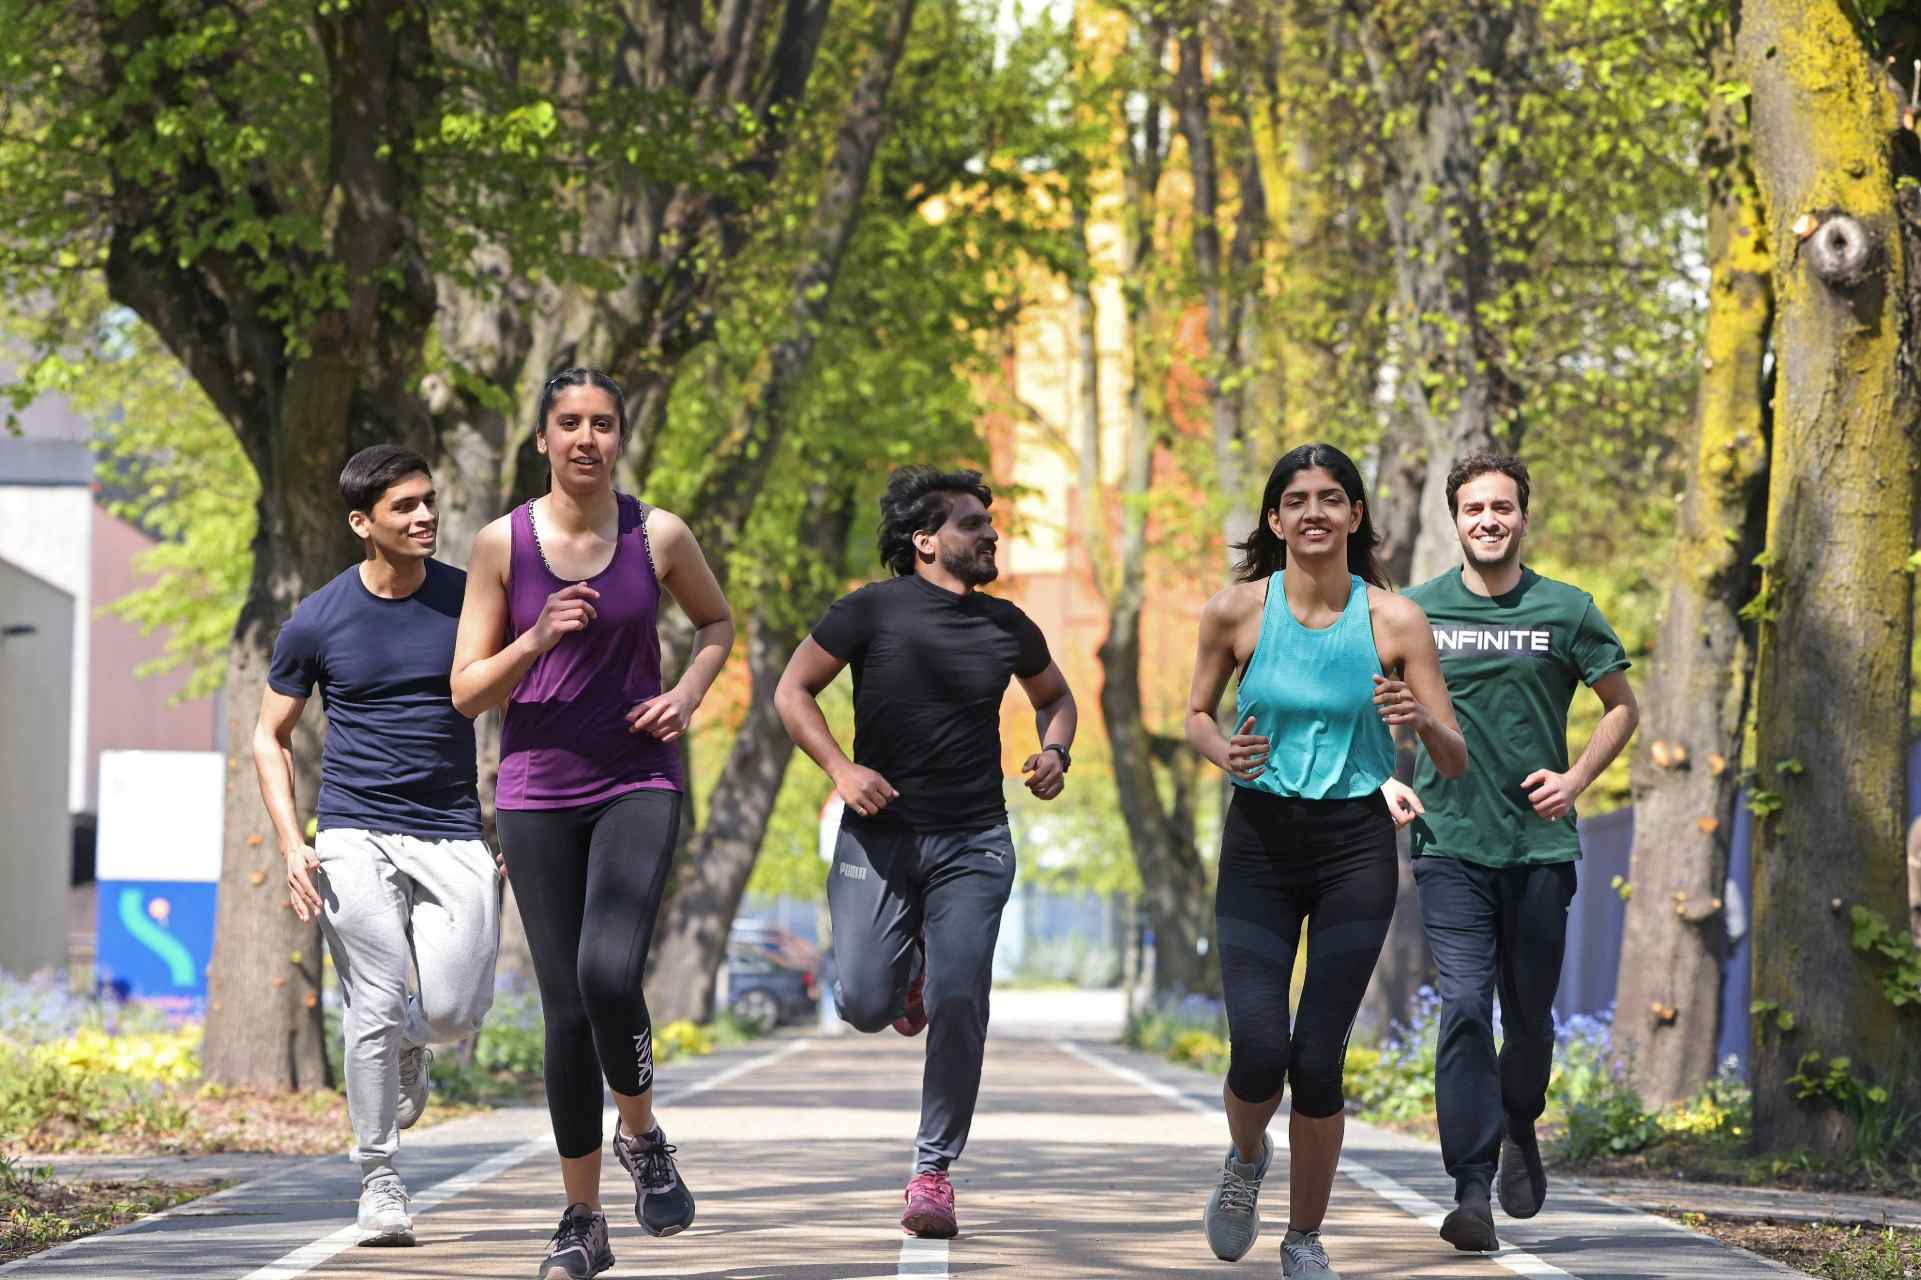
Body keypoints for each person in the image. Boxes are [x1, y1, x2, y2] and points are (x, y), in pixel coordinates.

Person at [451, 368, 735, 1280]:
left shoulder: (658, 535)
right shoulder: (502, 545)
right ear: (542, 439)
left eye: (602, 424)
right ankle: (582, 1219)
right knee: (566, 1011)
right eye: (568, 423)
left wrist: (687, 693)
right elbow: (464, 693)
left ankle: (643, 1136)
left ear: (620, 438)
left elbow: (717, 624)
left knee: (608, 971)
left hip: (635, 782)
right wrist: (533, 641)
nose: (585, 438)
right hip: (535, 793)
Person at [774, 465, 1077, 1240]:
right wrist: (841, 769)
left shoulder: (1008, 625)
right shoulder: (867, 612)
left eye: (989, 523)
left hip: (975, 838)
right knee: (864, 1004)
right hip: (877, 837)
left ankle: (932, 1170)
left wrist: (1055, 752)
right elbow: (792, 690)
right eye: (974, 524)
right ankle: (902, 978)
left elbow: (1056, 698)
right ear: (926, 542)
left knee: (961, 999)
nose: (990, 535)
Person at [1187, 443, 1465, 1279]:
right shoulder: (1235, 611)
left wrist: (1415, 714)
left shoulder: (1395, 620)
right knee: (1257, 1051)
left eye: (1331, 499)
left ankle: (1303, 1237)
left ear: (1354, 517)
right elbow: (1196, 714)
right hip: (1260, 845)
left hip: (1353, 847)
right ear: (1275, 520)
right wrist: (1220, 753)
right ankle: (1244, 1165)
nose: (1314, 512)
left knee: (1316, 1059)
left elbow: (1451, 756)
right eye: (1297, 500)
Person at [255, 445, 503, 1248]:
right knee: (371, 1000)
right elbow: (270, 736)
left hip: (453, 826)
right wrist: (294, 844)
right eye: (404, 507)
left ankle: (412, 1042)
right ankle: (381, 1180)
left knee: (452, 1009)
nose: (425, 516)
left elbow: (517, 700)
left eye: (429, 501)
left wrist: (513, 816)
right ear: (363, 523)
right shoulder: (318, 617)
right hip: (355, 828)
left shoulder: (470, 601)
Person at [1402, 452, 1639, 1252]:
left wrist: (1575, 779)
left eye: (1501, 508)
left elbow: (1620, 708)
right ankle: (1470, 1189)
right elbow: (1369, 707)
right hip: (1448, 841)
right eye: (1473, 510)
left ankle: (1519, 1121)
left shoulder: (1567, 610)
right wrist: (1382, 781)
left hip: (1538, 845)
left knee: (1529, 1017)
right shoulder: (1414, 611)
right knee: (1464, 1005)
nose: (1488, 521)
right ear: (1455, 519)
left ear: (1522, 517)